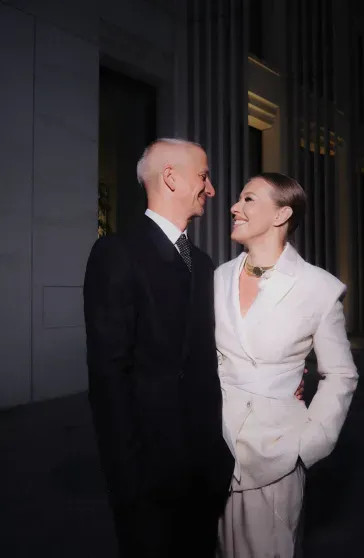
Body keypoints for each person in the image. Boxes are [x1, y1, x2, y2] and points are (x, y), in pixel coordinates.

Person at [83, 138, 234, 558]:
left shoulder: (202, 263)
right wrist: (126, 480)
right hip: (148, 480)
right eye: (204, 176)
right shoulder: (116, 254)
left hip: (205, 472)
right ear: (171, 178)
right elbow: (108, 377)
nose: (211, 189)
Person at [215, 172, 358, 558]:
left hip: (276, 452)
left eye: (248, 199)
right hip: (214, 447)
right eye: (238, 199)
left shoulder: (319, 288)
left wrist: (307, 444)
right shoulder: (217, 279)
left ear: (281, 215)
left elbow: (340, 373)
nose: (234, 207)